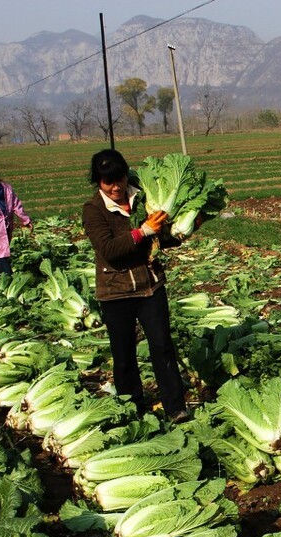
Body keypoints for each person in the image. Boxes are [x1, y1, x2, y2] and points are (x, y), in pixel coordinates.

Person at [82, 148, 190, 424]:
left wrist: (182, 232)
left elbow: (159, 239)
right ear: (98, 182)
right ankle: (134, 409)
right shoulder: (93, 210)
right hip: (115, 291)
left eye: (119, 179)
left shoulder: (140, 197)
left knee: (163, 346)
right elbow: (109, 250)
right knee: (124, 353)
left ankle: (175, 406)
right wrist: (141, 231)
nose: (116, 187)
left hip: (150, 286)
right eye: (108, 182)